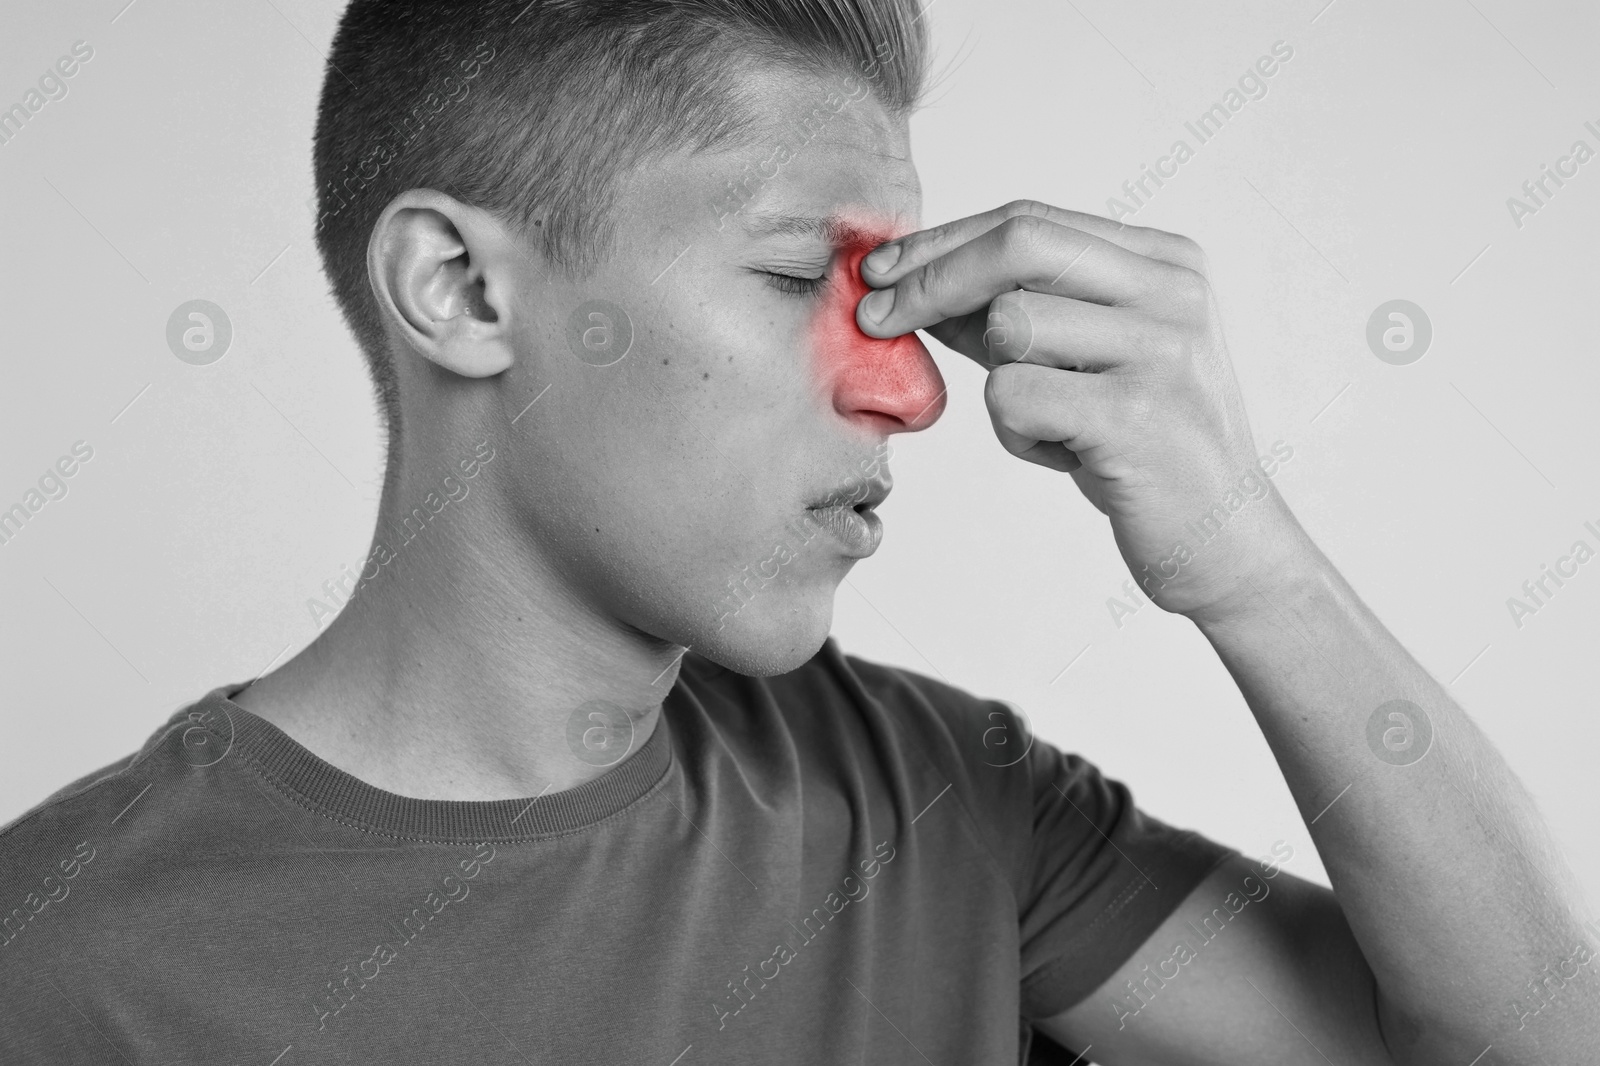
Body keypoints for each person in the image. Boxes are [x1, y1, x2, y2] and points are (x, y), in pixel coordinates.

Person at [2, 1, 1594, 1063]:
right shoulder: (66, 962)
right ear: (465, 291)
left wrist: (1247, 553)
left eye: (893, 291)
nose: (910, 388)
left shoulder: (940, 801)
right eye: (793, 277)